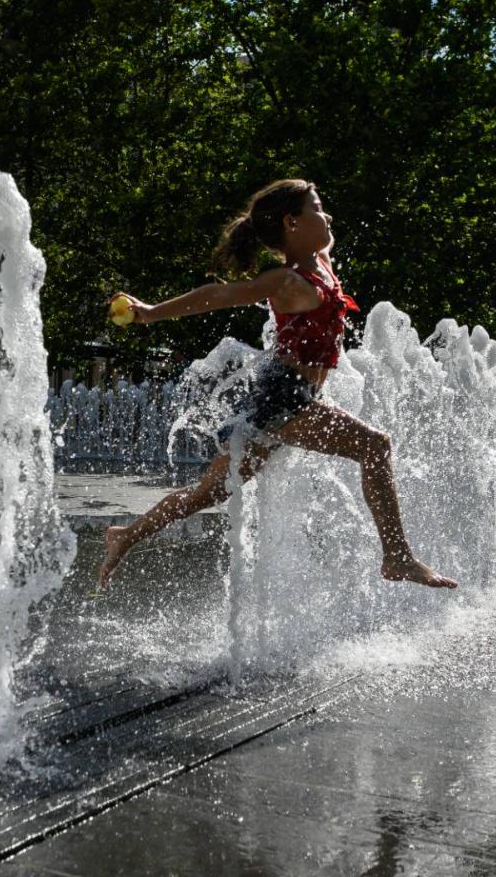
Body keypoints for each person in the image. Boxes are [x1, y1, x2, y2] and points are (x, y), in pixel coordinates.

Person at [98, 178, 457, 591]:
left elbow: (322, 236)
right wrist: (148, 313)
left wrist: (307, 206)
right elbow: (215, 295)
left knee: (207, 494)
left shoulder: (321, 262)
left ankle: (125, 536)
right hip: (283, 398)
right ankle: (398, 557)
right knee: (374, 446)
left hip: (286, 398)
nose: (328, 216)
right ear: (291, 223)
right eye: (317, 209)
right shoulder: (287, 281)